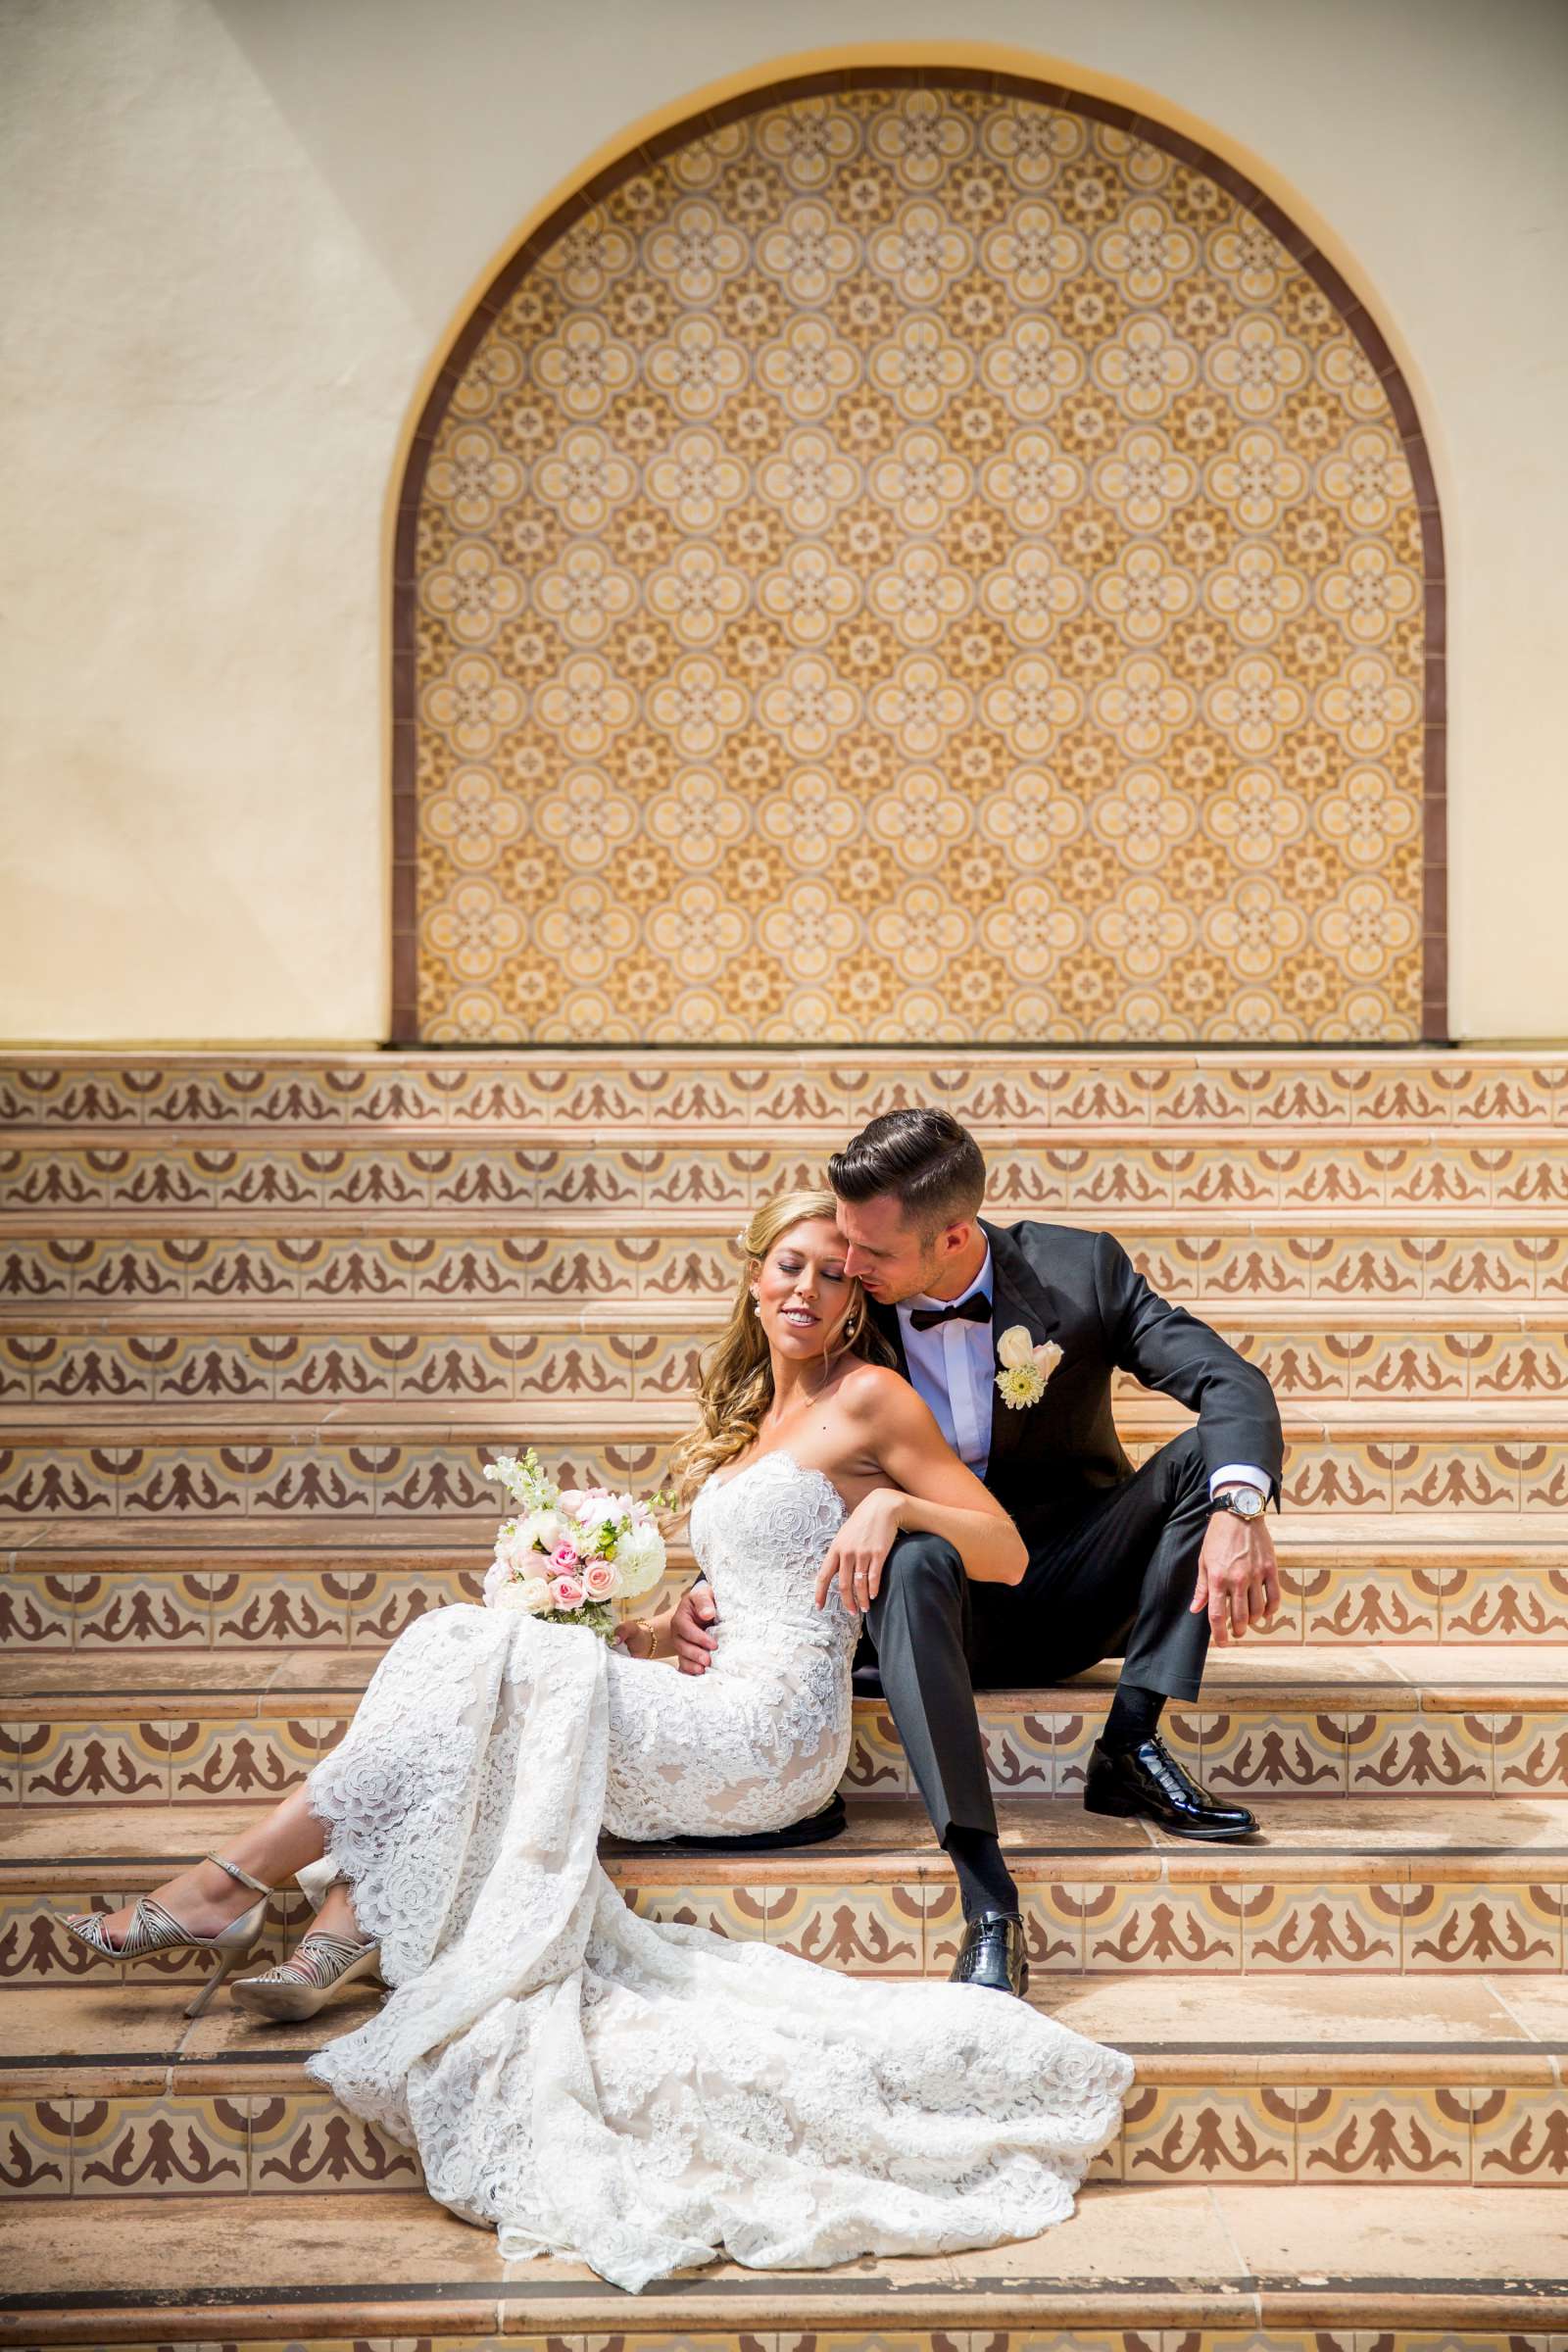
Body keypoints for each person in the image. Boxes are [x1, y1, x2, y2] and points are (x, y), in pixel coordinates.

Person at [59, 1189, 1131, 2295]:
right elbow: (750, 1582)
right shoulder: (753, 1413)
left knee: (466, 1649)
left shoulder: (874, 1399)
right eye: (788, 1267)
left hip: (765, 1738)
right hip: (700, 1694)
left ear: (859, 1297)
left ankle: (242, 1887)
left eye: (832, 1273)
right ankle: (327, 1918)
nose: (806, 1289)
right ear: (753, 1277)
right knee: (485, 1657)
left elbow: (1002, 1550)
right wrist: (659, 1623)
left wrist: (893, 1512)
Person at [670, 1109, 1284, 2001]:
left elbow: (1231, 1382)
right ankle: (988, 1898)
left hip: (1065, 1578)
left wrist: (1241, 1507)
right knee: (919, 1559)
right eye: (839, 1250)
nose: (848, 1269)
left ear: (952, 1236)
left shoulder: (1080, 1275)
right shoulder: (848, 1311)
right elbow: (785, 1467)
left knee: (1208, 1463)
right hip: (919, 1606)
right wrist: (710, 1584)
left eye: (869, 1256)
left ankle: (1130, 1742)